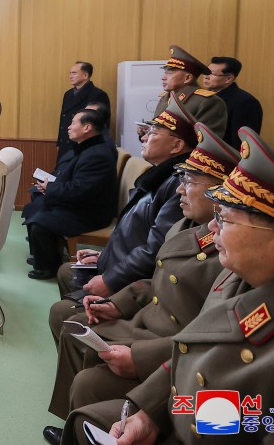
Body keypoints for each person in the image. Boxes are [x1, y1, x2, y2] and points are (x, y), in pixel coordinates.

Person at [61, 127, 274, 445]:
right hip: (189, 413)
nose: (213, 226)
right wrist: (151, 414)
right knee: (87, 421)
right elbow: (194, 351)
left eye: (227, 218)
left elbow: (267, 425)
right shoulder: (239, 273)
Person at [42, 122, 238, 443]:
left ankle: (75, 427)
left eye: (189, 180)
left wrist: (143, 368)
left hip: (169, 348)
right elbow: (157, 278)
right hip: (150, 323)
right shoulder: (191, 226)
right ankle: (73, 426)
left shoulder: (230, 253)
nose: (179, 188)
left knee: (88, 379)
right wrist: (118, 302)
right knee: (77, 332)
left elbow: (210, 345)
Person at [48, 95, 193, 337]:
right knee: (67, 271)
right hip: (125, 264)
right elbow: (136, 231)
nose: (144, 137)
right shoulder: (161, 175)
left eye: (153, 133)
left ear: (177, 146)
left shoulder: (177, 186)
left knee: (60, 313)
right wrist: (105, 255)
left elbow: (154, 252)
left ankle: (84, 332)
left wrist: (110, 280)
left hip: (138, 283)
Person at [24, 108, 117, 279]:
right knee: (35, 204)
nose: (69, 127)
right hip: (82, 204)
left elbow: (81, 189)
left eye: (74, 123)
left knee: (40, 221)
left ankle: (48, 268)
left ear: (87, 128)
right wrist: (50, 186)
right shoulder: (90, 147)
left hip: (90, 212)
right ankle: (43, 257)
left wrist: (51, 188)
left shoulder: (98, 154)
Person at [152, 45, 227, 138]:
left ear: (187, 78)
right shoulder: (165, 97)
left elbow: (206, 141)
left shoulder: (208, 102)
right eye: (165, 72)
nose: (163, 77)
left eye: (169, 73)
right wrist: (146, 132)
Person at [203, 56, 263, 147]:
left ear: (228, 79)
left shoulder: (245, 102)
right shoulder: (204, 96)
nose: (206, 77)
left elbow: (241, 144)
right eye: (206, 72)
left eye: (212, 74)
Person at [57, 62, 110, 160]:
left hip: (84, 145)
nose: (70, 76)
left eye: (74, 73)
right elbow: (63, 120)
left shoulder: (98, 94)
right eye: (70, 73)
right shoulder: (68, 94)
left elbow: (100, 124)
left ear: (85, 75)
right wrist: (59, 142)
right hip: (66, 142)